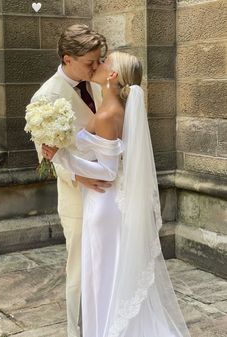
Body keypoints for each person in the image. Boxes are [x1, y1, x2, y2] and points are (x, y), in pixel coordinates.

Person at [42, 51, 191, 337]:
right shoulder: (111, 107)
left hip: (104, 202)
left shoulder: (110, 113)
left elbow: (108, 171)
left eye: (104, 62)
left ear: (112, 76)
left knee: (102, 276)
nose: (96, 65)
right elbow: (96, 152)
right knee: (104, 275)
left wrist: (61, 157)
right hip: (104, 201)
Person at [30, 24, 110, 337]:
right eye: (91, 62)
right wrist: (79, 175)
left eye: (99, 60)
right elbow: (46, 156)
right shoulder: (46, 97)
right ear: (67, 59)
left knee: (105, 264)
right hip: (77, 196)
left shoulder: (98, 83)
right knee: (78, 268)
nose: (98, 67)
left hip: (107, 191)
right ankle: (76, 331)